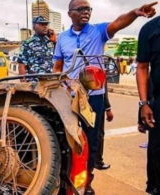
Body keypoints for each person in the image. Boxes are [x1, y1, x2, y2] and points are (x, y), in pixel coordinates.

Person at [52, 0, 157, 194]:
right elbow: (57, 67)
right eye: (81, 9)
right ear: (70, 14)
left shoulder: (98, 32)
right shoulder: (62, 38)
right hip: (68, 97)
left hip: (94, 97)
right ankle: (64, 178)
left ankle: (86, 181)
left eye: (88, 9)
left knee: (91, 141)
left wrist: (135, 12)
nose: (86, 12)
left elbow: (118, 22)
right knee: (66, 139)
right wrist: (57, 86)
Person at [137, 16, 160, 194]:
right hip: (158, 102)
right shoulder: (149, 28)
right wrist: (144, 104)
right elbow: (143, 67)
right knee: (156, 152)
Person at [95, 82, 114, 170]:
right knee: (99, 134)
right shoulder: (99, 68)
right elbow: (103, 90)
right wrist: (108, 108)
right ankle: (98, 161)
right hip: (96, 101)